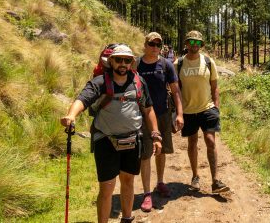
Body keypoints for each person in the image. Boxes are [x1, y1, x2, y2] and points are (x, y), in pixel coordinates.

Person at [60, 44, 162, 223]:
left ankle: (127, 218)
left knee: (128, 180)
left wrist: (155, 134)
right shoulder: (99, 82)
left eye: (127, 60)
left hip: (132, 139)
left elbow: (148, 109)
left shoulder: (138, 82)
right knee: (107, 187)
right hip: (105, 141)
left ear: (131, 62)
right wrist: (71, 115)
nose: (123, 63)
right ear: (112, 61)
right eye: (119, 59)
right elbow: (82, 100)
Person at [175, 31, 230, 194]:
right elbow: (175, 90)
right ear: (186, 44)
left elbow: (215, 86)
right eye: (191, 42)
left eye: (197, 43)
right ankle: (195, 176)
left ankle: (215, 181)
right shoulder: (177, 63)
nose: (194, 45)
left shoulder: (208, 61)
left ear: (201, 45)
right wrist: (177, 112)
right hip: (188, 110)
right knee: (192, 143)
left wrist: (217, 107)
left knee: (210, 141)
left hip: (207, 108)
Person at [137, 32, 184, 211]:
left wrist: (180, 114)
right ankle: (147, 193)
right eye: (152, 44)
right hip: (142, 116)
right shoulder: (136, 64)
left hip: (163, 114)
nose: (155, 47)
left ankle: (160, 182)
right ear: (145, 44)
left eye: (158, 44)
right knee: (145, 154)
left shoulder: (166, 65)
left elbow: (176, 91)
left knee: (161, 150)